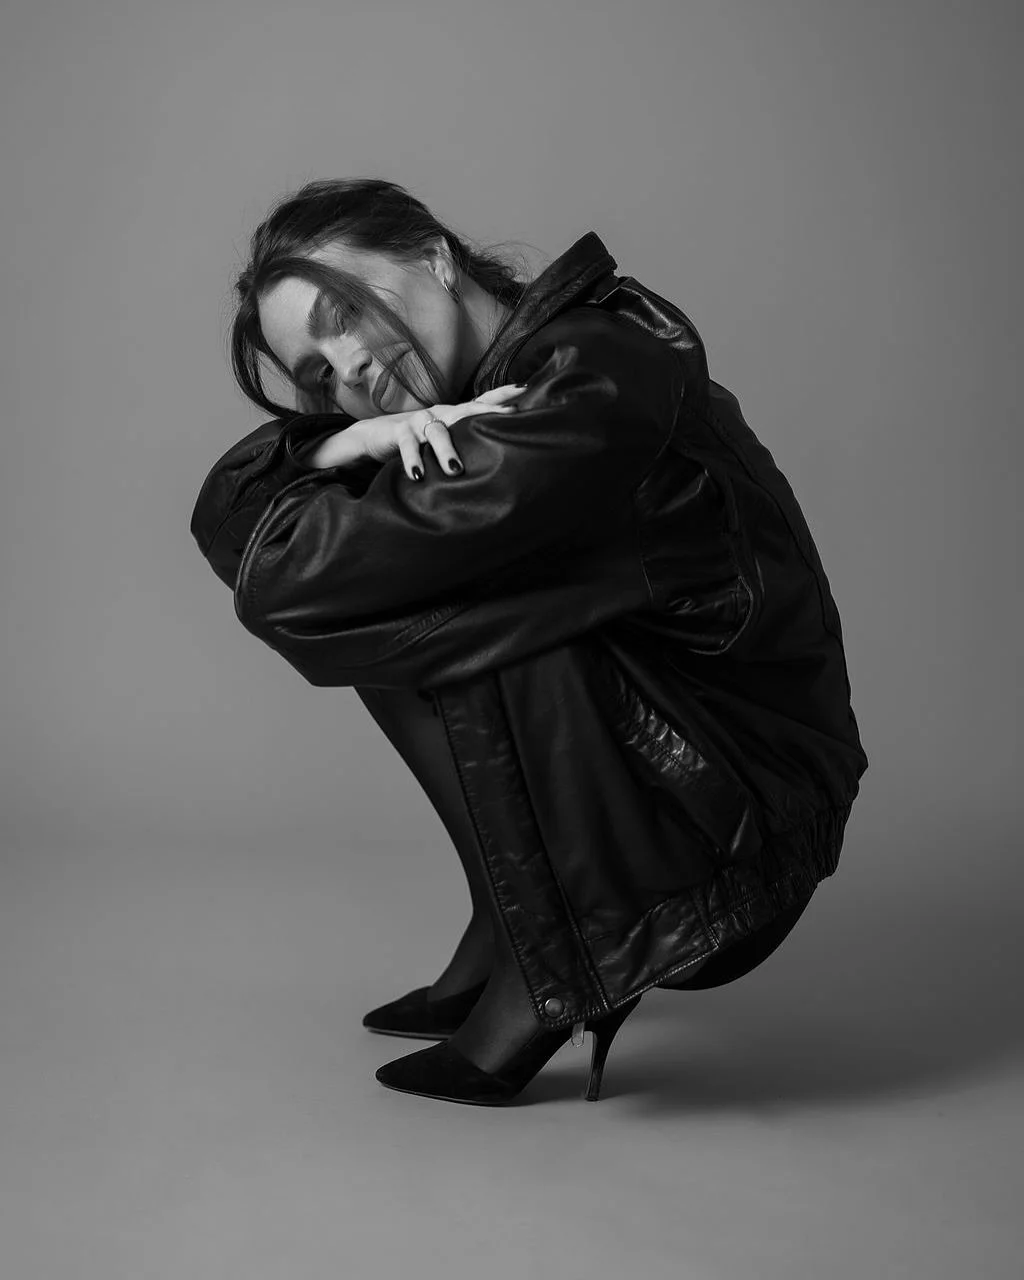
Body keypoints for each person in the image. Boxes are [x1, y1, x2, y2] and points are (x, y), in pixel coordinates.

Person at [190, 177, 869, 1107]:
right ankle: (506, 921)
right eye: (316, 375)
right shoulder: (503, 385)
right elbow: (235, 525)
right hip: (668, 796)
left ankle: (544, 975)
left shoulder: (591, 374)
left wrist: (343, 474)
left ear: (431, 255)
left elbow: (281, 579)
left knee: (439, 595)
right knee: (402, 591)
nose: (344, 370)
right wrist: (340, 448)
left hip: (731, 827)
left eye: (342, 314)